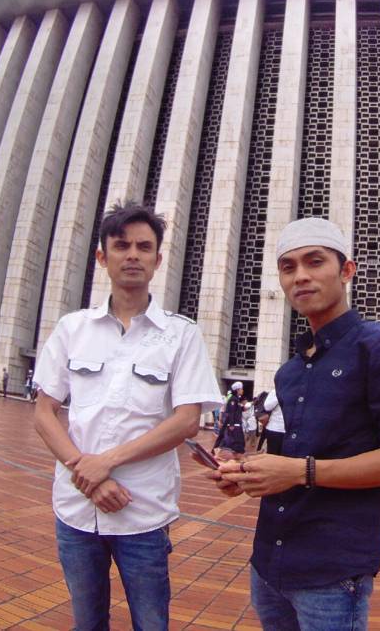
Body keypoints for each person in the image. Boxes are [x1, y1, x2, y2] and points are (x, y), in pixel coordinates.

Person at [205, 217, 380, 630]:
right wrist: (247, 475)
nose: (301, 276)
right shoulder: (290, 371)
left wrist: (297, 471)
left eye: (314, 262)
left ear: (346, 271)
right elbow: (284, 462)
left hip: (331, 574)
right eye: (288, 267)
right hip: (268, 564)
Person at [32, 202, 221, 631]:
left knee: (151, 622)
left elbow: (187, 419)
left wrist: (107, 462)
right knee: (87, 621)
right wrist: (89, 473)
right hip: (76, 510)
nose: (132, 255)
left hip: (143, 514)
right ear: (103, 257)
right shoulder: (71, 329)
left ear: (157, 259)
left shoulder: (181, 334)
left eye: (143, 246)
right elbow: (44, 411)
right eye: (121, 246)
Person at [214, 382, 246, 459]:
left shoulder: (236, 399)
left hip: (237, 424)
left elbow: (236, 410)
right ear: (237, 390)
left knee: (235, 441)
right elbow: (231, 412)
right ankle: (222, 454)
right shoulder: (233, 399)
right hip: (234, 425)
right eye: (241, 389)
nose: (242, 390)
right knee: (234, 441)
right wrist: (231, 424)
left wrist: (242, 408)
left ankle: (233, 455)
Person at [258, 390, 285, 455]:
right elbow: (267, 407)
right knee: (272, 456)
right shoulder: (276, 391)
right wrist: (280, 394)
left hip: (290, 431)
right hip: (275, 429)